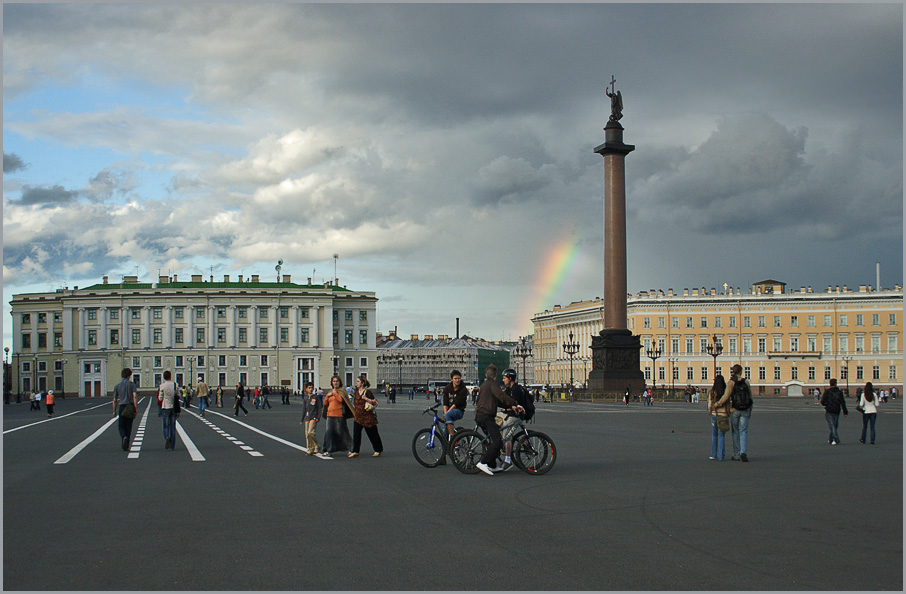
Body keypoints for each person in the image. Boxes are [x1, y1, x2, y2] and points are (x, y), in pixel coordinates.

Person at [473, 364, 523, 476]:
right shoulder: (493, 384)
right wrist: (514, 403)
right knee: (497, 441)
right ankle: (483, 462)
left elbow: (497, 401)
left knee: (493, 440)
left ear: (486, 375)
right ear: (495, 375)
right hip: (487, 416)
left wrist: (510, 406)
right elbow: (501, 396)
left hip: (480, 416)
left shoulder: (484, 384)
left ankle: (492, 465)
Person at [500, 368, 535, 471]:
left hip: (515, 416)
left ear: (510, 378)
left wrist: (506, 408)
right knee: (492, 418)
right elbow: (502, 398)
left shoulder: (516, 389)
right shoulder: (509, 388)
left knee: (507, 436)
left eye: (504, 378)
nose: (503, 380)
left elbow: (516, 406)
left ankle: (507, 460)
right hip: (508, 413)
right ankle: (498, 442)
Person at [716, 364, 752, 461]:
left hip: (735, 410)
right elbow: (750, 398)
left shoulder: (731, 382)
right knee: (743, 431)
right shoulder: (746, 382)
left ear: (733, 371)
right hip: (745, 410)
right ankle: (743, 452)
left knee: (735, 432)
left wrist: (717, 404)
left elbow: (726, 396)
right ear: (741, 371)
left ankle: (736, 454)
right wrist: (750, 410)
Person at [349, 375, 383, 458]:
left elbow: (375, 402)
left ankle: (378, 450)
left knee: (373, 434)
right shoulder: (356, 392)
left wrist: (366, 399)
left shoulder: (367, 392)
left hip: (367, 417)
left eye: (358, 381)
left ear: (362, 383)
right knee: (356, 435)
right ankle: (355, 451)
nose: (356, 383)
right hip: (358, 417)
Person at [321, 375, 353, 458]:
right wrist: (328, 396)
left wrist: (335, 393)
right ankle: (328, 449)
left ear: (340, 382)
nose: (335, 383)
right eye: (334, 381)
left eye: (337, 381)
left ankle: (352, 448)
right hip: (330, 415)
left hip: (339, 416)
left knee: (342, 432)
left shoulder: (342, 391)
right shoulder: (330, 392)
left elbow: (340, 400)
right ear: (332, 383)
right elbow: (325, 403)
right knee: (329, 433)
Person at [112, 368, 138, 451]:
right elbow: (134, 396)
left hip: (122, 406)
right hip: (130, 406)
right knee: (129, 426)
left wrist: (114, 410)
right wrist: (135, 408)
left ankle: (124, 436)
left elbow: (115, 399)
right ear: (129, 375)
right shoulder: (132, 384)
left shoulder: (117, 386)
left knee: (121, 425)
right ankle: (126, 445)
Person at [820, 378, 848, 445]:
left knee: (832, 425)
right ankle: (833, 438)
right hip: (837, 410)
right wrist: (845, 412)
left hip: (829, 409)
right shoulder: (839, 392)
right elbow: (842, 402)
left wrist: (826, 405)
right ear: (836, 383)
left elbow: (822, 401)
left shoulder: (827, 392)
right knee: (834, 425)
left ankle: (834, 438)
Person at [441, 370, 468, 440]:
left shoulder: (463, 389)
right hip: (448, 410)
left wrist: (446, 413)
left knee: (447, 415)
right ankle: (446, 447)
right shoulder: (447, 388)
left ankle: (452, 438)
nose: (457, 380)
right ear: (452, 379)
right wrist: (445, 412)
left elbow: (456, 403)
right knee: (444, 431)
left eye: (459, 378)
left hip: (458, 410)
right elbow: (445, 402)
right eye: (455, 378)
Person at [708, 375, 729, 460]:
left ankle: (713, 454)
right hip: (723, 415)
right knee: (722, 436)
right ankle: (721, 456)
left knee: (714, 435)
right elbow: (728, 403)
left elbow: (710, 404)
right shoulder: (725, 391)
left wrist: (710, 411)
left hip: (714, 415)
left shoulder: (712, 392)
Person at [299, 382, 323, 455]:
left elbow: (319, 408)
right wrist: (301, 419)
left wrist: (318, 417)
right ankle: (310, 449)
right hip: (307, 418)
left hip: (314, 417)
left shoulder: (316, 397)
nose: (311, 389)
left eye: (312, 387)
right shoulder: (306, 399)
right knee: (307, 434)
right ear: (306, 389)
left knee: (311, 432)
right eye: (309, 388)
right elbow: (304, 410)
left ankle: (316, 445)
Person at [159, 371, 178, 450]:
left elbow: (160, 398)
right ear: (170, 376)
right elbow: (178, 395)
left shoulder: (162, 386)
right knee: (172, 426)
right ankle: (172, 445)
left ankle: (167, 437)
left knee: (165, 425)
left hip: (165, 407)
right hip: (173, 407)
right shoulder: (175, 385)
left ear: (164, 377)